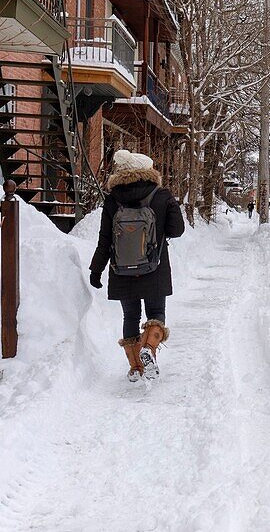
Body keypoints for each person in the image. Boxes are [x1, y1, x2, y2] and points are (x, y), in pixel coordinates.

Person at [90, 150, 185, 382]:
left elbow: (105, 238)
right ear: (149, 171)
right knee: (156, 314)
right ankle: (148, 349)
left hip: (122, 269)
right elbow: (177, 230)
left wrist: (96, 269)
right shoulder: (161, 195)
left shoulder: (113, 198)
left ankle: (135, 367)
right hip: (155, 265)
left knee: (130, 316)